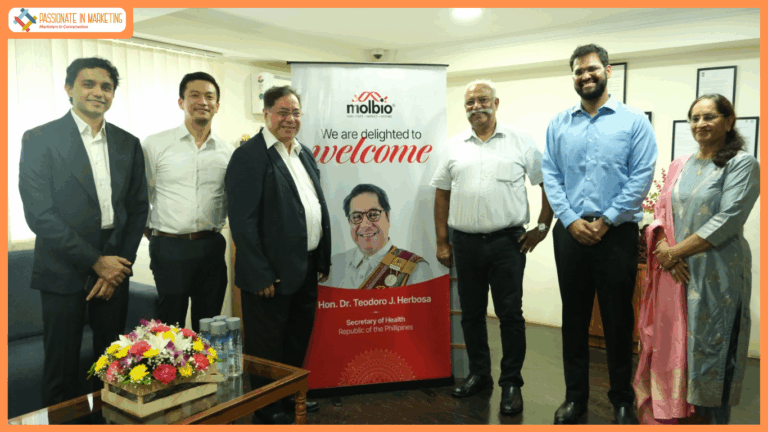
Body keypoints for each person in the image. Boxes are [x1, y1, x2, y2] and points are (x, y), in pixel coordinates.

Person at [18, 57, 148, 407]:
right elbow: (40, 215)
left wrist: (119, 265)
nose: (98, 92)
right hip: (63, 270)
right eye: (88, 84)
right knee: (60, 370)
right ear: (69, 89)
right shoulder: (40, 138)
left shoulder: (128, 143)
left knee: (113, 368)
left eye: (106, 87)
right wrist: (96, 261)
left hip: (114, 270)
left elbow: (138, 209)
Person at [541, 43, 657, 425]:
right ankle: (575, 398)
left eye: (592, 69)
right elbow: (551, 177)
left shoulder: (634, 122)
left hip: (617, 234)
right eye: (578, 71)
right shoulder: (559, 124)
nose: (585, 76)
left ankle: (622, 398)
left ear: (608, 70)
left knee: (617, 319)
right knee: (573, 318)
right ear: (573, 76)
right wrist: (571, 219)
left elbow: (641, 177)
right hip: (570, 233)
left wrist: (605, 220)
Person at [430, 79, 554, 416]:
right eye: (469, 103)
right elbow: (441, 192)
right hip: (465, 243)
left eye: (482, 100)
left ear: (496, 103)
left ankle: (511, 382)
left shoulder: (520, 142)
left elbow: (549, 185)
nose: (476, 107)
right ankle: (479, 374)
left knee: (510, 315)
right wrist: (443, 241)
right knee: (471, 314)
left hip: (507, 243)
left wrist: (542, 228)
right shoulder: (454, 146)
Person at [634, 94, 759, 425]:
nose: (700, 124)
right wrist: (664, 249)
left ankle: (710, 418)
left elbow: (729, 217)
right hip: (674, 272)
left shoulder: (743, 164)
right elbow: (661, 209)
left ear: (729, 122)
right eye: (695, 118)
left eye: (709, 117)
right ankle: (676, 410)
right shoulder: (680, 164)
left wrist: (674, 252)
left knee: (712, 345)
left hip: (715, 270)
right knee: (674, 340)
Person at [225, 85, 331, 424]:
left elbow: (315, 207)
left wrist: (323, 258)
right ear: (266, 114)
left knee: (296, 339)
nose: (290, 119)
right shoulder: (249, 156)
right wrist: (258, 273)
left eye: (296, 112)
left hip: (306, 266)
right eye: (283, 112)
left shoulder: (303, 153)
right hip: (269, 274)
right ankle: (266, 406)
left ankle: (287, 397)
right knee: (265, 345)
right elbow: (242, 222)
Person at [142, 72, 233, 332]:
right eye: (194, 95)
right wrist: (158, 236)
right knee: (170, 329)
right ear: (181, 102)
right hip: (169, 248)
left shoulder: (228, 152)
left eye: (209, 96)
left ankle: (205, 374)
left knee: (211, 325)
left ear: (217, 105)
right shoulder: (155, 144)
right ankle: (173, 375)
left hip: (211, 247)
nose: (202, 101)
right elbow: (140, 199)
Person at [328, 183, 434, 289]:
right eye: (357, 217)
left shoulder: (416, 268)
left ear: (388, 217)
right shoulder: (333, 266)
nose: (365, 225)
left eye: (373, 214)